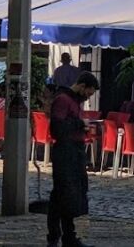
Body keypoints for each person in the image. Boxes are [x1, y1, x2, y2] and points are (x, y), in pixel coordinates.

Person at [47, 71, 99, 247]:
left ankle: (67, 236)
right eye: (88, 93)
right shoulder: (63, 100)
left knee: (68, 195)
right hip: (65, 152)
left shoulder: (74, 102)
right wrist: (80, 124)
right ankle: (57, 236)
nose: (88, 97)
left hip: (75, 151)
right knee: (62, 194)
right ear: (82, 86)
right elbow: (57, 128)